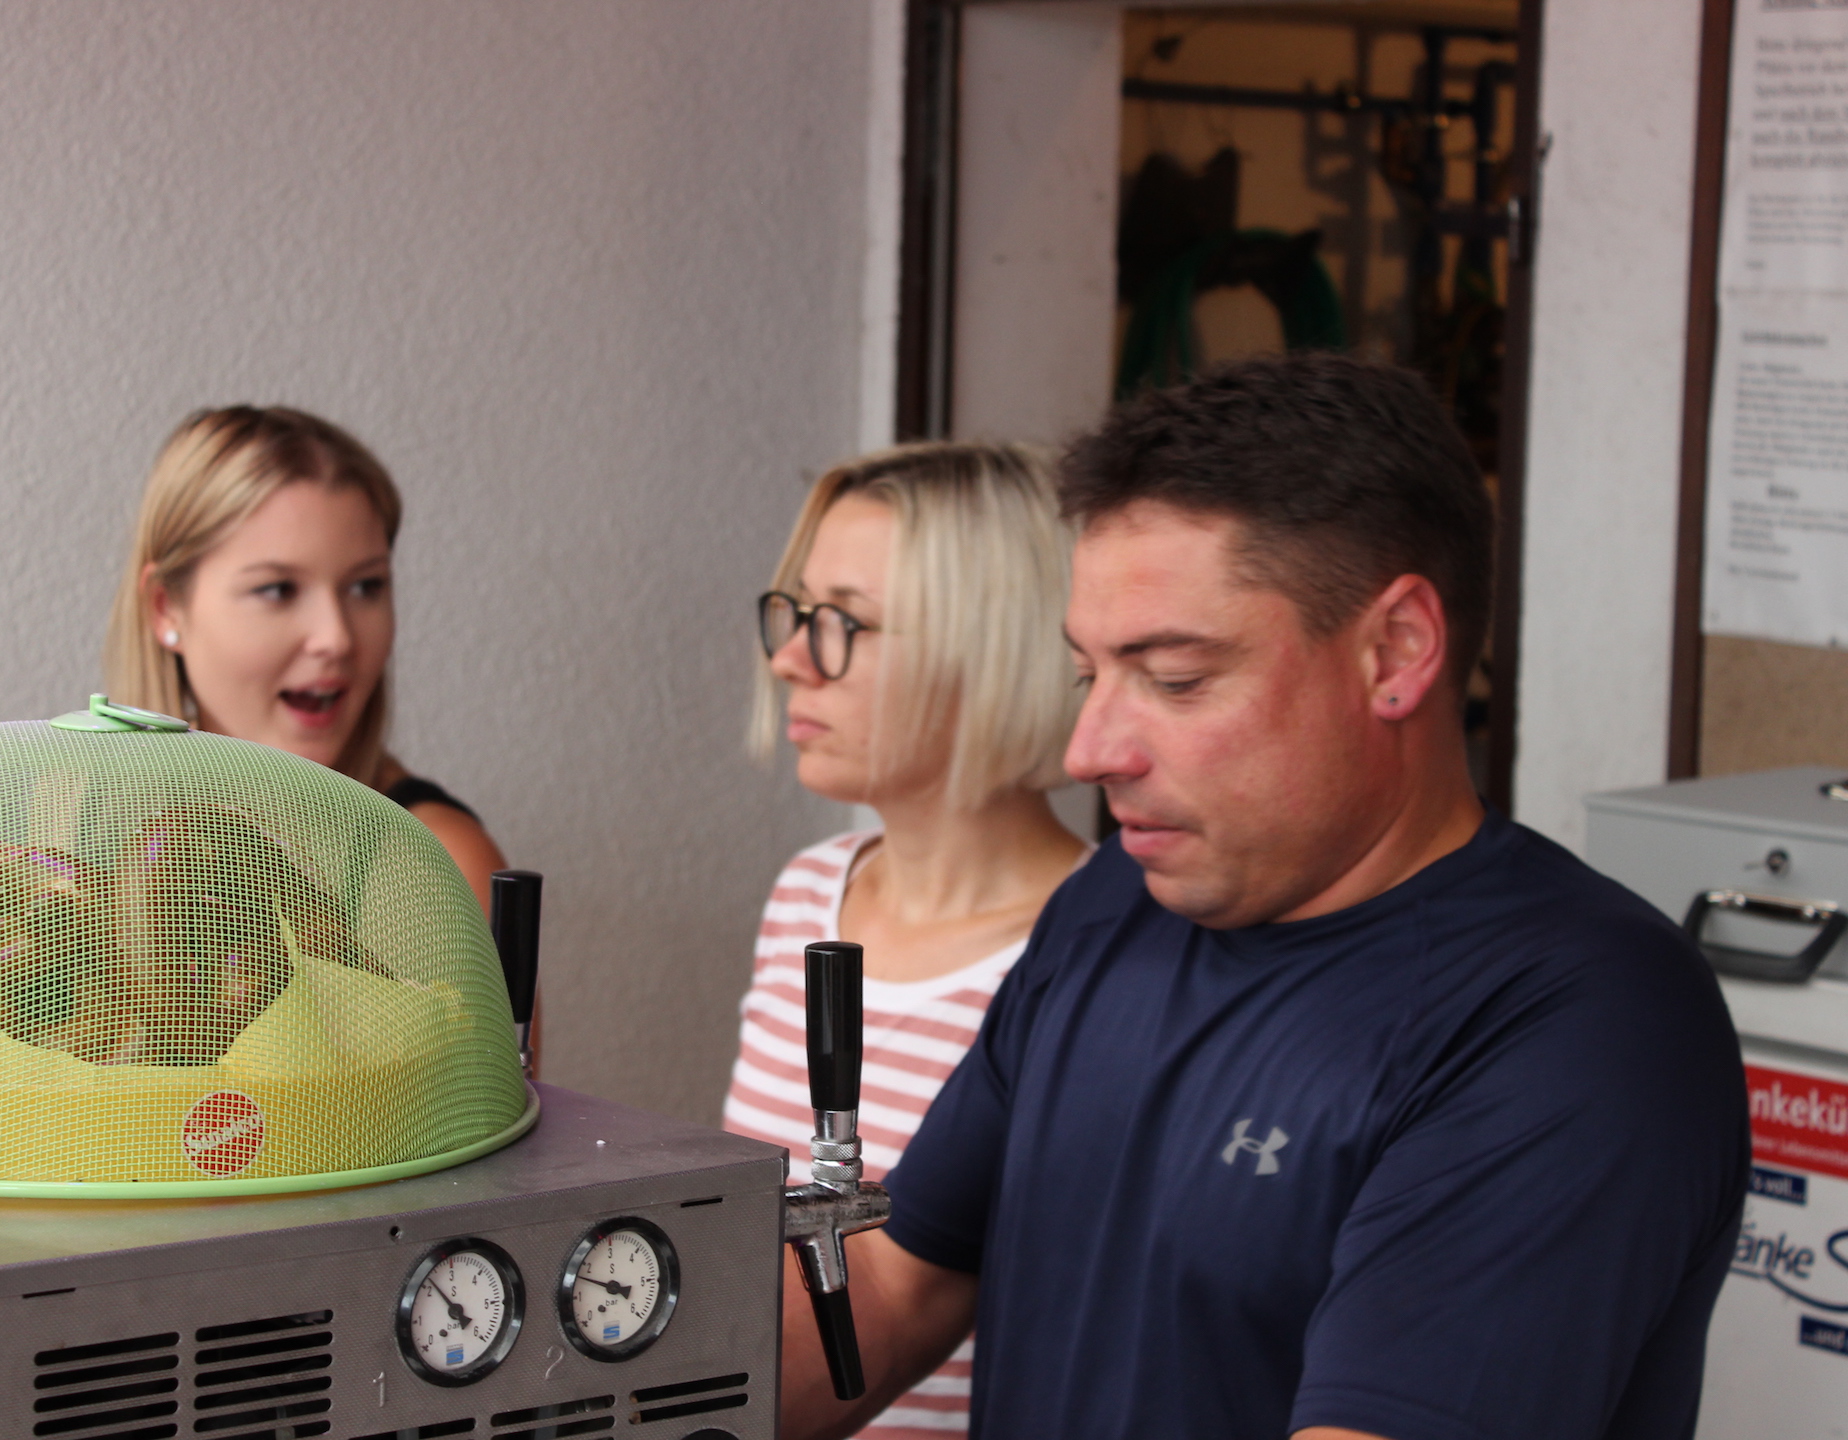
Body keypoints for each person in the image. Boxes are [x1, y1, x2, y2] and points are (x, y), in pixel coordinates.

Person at [781, 354, 1750, 1440]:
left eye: (1177, 678)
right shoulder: (1115, 903)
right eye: (1089, 674)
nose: (1089, 749)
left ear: (1396, 652)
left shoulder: (1581, 1022)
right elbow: (888, 1285)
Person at [724, 441, 1090, 1440]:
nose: (789, 659)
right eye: (796, 613)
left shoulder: (1091, 955)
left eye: (842, 622)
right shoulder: (810, 892)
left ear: (993, 646)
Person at [103, 406, 505, 907]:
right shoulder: (73, 827)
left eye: (365, 586)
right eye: (278, 590)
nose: (337, 638)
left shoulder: (437, 867)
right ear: (165, 608)